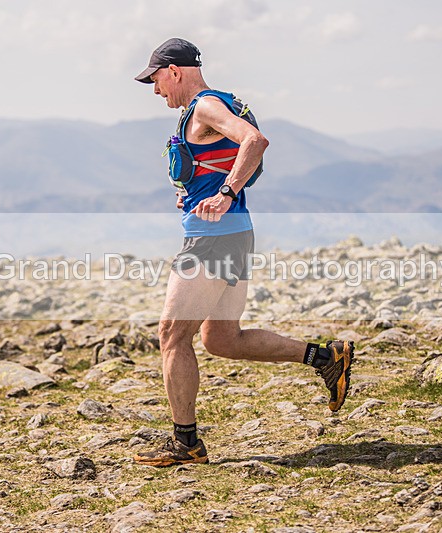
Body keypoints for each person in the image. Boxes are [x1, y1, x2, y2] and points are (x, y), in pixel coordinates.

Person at [132, 38, 354, 467]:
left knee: (172, 334)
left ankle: (186, 444)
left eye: (156, 80)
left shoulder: (205, 106)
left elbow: (255, 140)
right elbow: (221, 156)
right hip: (233, 234)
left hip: (213, 238)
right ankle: (327, 357)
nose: (156, 90)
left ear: (175, 71)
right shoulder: (207, 108)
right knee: (222, 339)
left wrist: (224, 192)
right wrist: (200, 191)